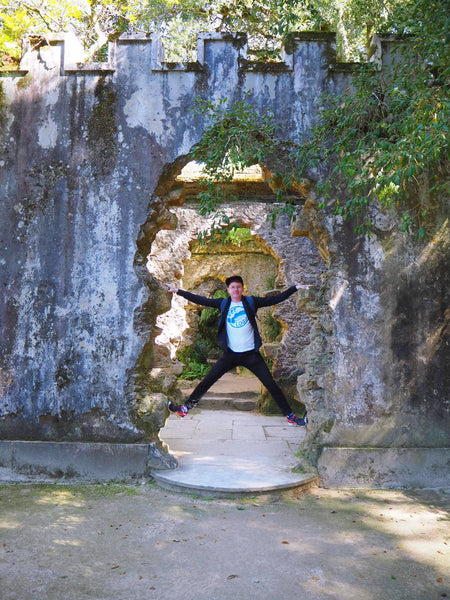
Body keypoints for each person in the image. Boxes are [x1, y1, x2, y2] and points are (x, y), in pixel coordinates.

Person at [164, 275, 310, 426]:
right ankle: (185, 408)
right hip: (230, 355)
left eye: (238, 287)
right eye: (233, 287)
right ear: (228, 290)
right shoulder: (223, 304)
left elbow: (274, 300)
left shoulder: (251, 302)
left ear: (243, 288)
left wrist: (294, 288)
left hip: (251, 356)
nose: (236, 289)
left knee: (271, 385)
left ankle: (291, 416)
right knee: (207, 381)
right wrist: (178, 291)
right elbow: (201, 300)